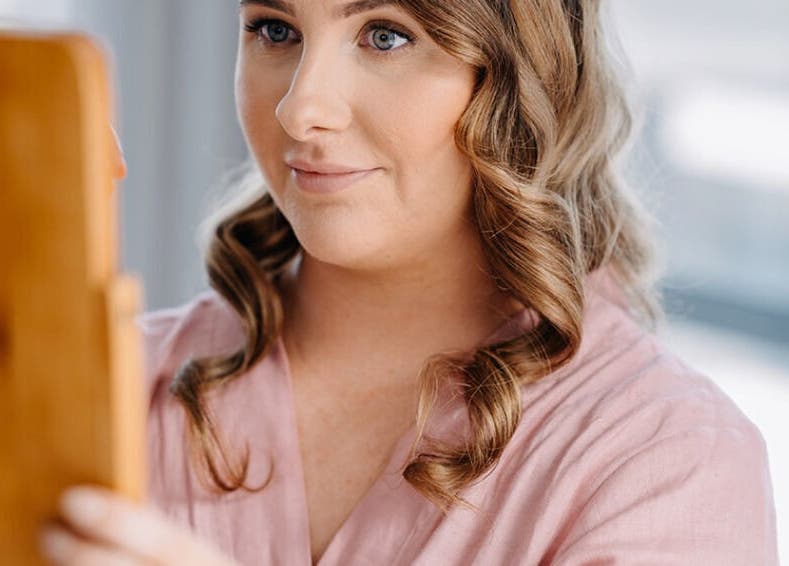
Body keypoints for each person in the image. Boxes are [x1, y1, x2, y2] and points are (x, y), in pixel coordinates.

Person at [38, 1, 778, 564]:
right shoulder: (94, 390)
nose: (301, 109)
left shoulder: (666, 462)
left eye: (386, 35)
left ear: (522, 75)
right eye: (275, 29)